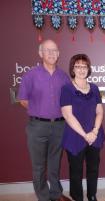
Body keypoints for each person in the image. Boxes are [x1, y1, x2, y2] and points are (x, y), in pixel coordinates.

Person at [17, 39, 71, 201]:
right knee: (39, 165)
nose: (51, 53)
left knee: (55, 163)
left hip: (60, 126)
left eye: (54, 50)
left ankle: (55, 194)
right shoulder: (31, 75)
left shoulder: (63, 76)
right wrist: (39, 112)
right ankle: (43, 196)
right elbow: (23, 100)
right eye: (47, 50)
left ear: (59, 54)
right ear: (40, 53)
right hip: (37, 126)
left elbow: (67, 101)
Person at [60, 54, 105, 201]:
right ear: (73, 69)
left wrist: (94, 131)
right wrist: (85, 135)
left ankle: (92, 195)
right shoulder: (66, 89)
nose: (81, 69)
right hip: (75, 136)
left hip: (94, 134)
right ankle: (77, 197)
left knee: (93, 168)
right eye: (77, 66)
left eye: (84, 66)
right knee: (76, 171)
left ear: (88, 68)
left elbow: (99, 111)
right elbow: (68, 115)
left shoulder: (94, 88)